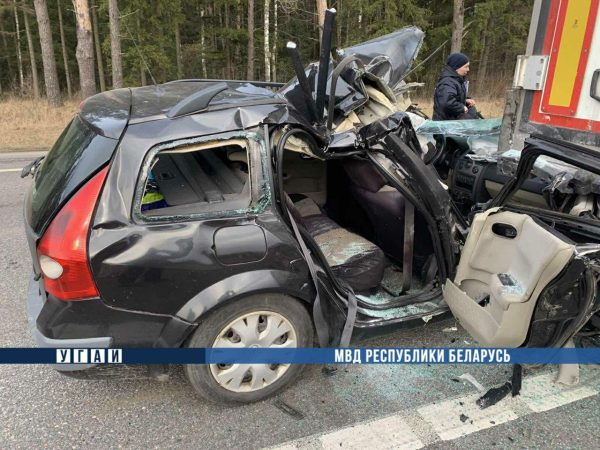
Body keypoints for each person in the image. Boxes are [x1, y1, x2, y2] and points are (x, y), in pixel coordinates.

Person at [433, 52, 479, 120]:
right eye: (466, 67)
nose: (468, 69)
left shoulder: (456, 80)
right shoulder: (447, 82)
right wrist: (462, 108)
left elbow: (452, 97)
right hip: (446, 124)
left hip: (452, 121)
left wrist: (465, 100)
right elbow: (446, 102)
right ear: (457, 67)